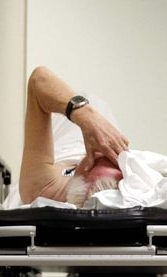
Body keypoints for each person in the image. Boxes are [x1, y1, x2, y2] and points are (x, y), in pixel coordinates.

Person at [20, 66, 130, 205]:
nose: (101, 149)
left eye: (98, 159)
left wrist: (88, 118)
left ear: (81, 172)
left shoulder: (46, 188)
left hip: (63, 135)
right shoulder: (125, 181)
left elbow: (39, 79)